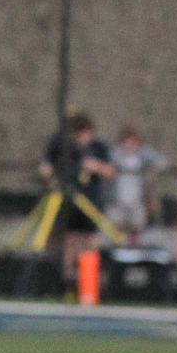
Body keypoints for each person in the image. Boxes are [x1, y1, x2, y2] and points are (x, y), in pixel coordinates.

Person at [39, 109, 116, 279]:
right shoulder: (66, 147)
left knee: (89, 238)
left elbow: (111, 171)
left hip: (91, 200)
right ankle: (67, 276)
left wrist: (97, 166)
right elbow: (51, 164)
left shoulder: (99, 146)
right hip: (69, 198)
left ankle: (91, 277)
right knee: (70, 237)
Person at [109, 126, 168, 240]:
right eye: (126, 143)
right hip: (118, 201)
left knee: (137, 227)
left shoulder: (143, 155)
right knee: (117, 227)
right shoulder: (115, 155)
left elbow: (163, 162)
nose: (130, 146)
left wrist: (152, 170)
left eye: (133, 143)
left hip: (137, 201)